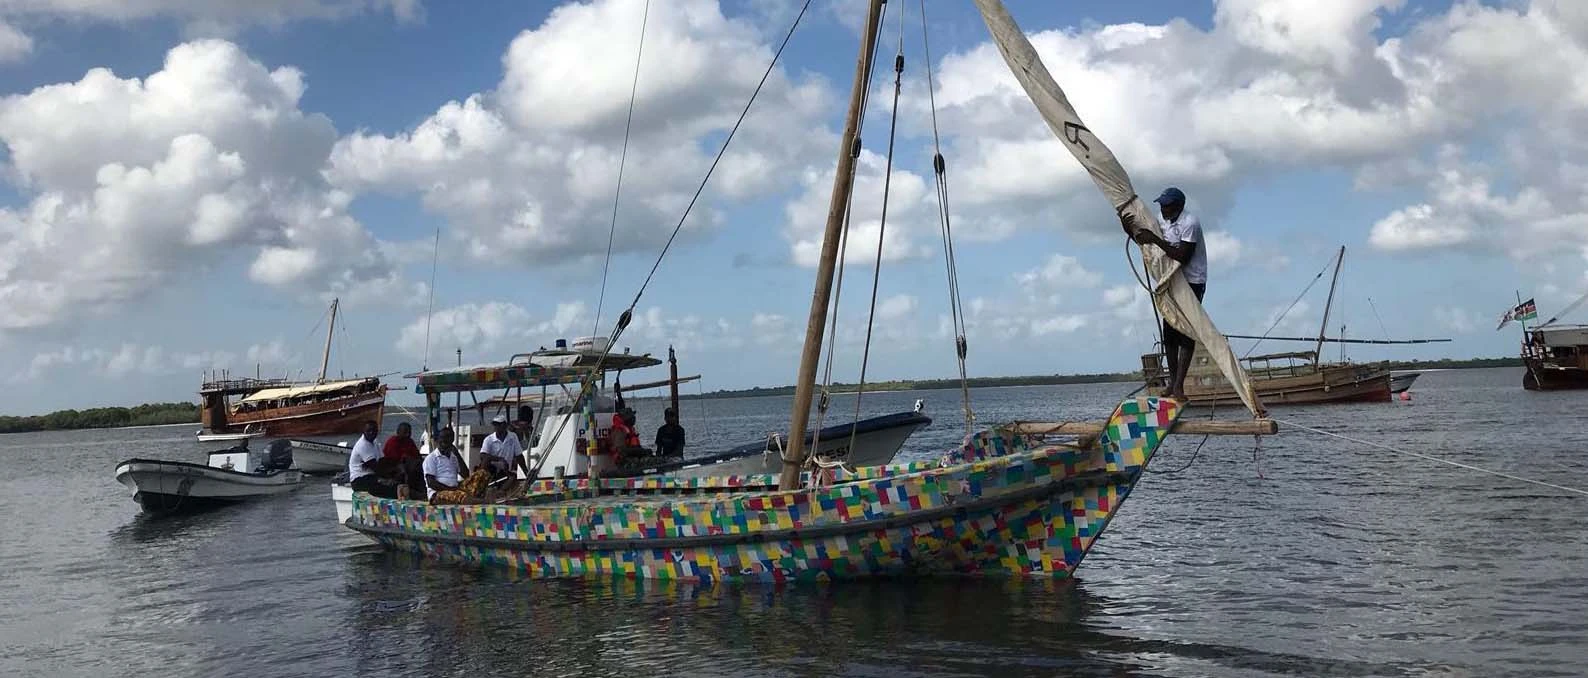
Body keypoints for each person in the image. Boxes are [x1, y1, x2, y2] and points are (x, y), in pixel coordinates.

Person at [1120, 186, 1208, 401]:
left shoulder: (1190, 223)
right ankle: (1172, 383)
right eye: (1162, 205)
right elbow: (1143, 238)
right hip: (1171, 278)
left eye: (1167, 206)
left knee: (1187, 333)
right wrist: (1128, 228)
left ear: (1179, 206)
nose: (1164, 209)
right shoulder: (1162, 219)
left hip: (1192, 280)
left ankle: (1179, 386)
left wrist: (1155, 239)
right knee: (1169, 332)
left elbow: (1183, 257)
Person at [348, 420, 399, 498]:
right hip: (359, 480)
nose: (371, 433)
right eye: (368, 431)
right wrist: (388, 479)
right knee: (392, 489)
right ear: (363, 431)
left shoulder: (375, 442)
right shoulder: (362, 445)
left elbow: (382, 461)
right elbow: (375, 467)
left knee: (397, 482)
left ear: (377, 431)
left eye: (374, 430)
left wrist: (395, 470)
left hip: (371, 476)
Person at [422, 427, 473, 502]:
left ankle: (474, 498)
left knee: (481, 474)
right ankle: (484, 501)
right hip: (437, 494)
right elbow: (431, 483)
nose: (444, 440)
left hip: (455, 489)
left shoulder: (454, 457)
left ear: (452, 440)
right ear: (438, 439)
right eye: (442, 437)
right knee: (460, 496)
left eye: (448, 437)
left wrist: (457, 454)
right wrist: (452, 489)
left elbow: (466, 475)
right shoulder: (431, 458)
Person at [480, 414, 530, 479]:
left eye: (498, 424)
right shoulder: (489, 439)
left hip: (505, 471)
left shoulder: (513, 437)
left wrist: (526, 473)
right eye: (495, 424)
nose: (496, 427)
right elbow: (483, 455)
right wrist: (500, 459)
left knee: (513, 478)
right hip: (491, 470)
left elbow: (519, 456)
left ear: (505, 425)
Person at [382, 422, 424, 498]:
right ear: (398, 432)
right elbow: (393, 461)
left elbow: (417, 456)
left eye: (409, 432)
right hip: (393, 469)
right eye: (405, 432)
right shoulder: (392, 442)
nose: (407, 434)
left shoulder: (410, 441)